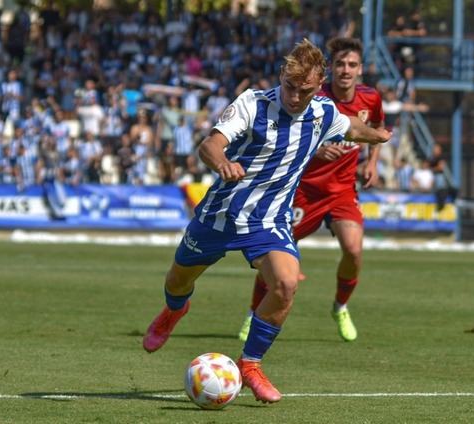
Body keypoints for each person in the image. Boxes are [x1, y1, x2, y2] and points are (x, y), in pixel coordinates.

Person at [142, 39, 391, 404]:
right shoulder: (252, 103)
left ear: (318, 85)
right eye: (289, 87)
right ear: (281, 77)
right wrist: (222, 162)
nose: (294, 96)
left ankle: (251, 364)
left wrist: (378, 136)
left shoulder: (323, 112)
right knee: (177, 281)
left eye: (304, 90)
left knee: (287, 282)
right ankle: (174, 311)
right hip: (221, 214)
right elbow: (209, 145)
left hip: (268, 220)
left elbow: (351, 126)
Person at [237, 37, 385, 343]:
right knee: (273, 257)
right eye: (341, 64)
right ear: (330, 72)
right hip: (302, 190)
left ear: (360, 70)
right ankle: (253, 314)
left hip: (342, 190)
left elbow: (374, 129)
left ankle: (340, 306)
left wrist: (372, 163)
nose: (346, 70)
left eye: (352, 64)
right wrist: (316, 151)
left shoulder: (371, 99)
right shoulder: (313, 97)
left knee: (354, 249)